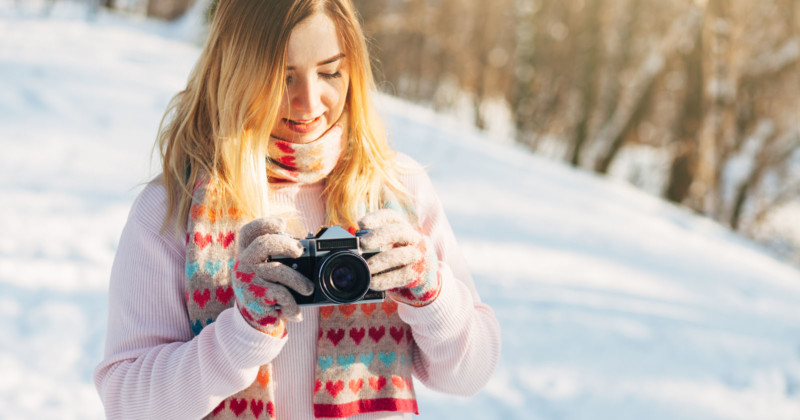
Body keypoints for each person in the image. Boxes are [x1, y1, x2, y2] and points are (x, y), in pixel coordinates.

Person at [93, 0, 501, 419]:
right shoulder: (172, 209)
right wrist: (242, 333)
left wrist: (430, 291)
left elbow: (470, 373)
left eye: (329, 72)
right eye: (283, 77)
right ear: (238, 72)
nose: (308, 102)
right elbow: (129, 406)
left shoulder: (399, 188)